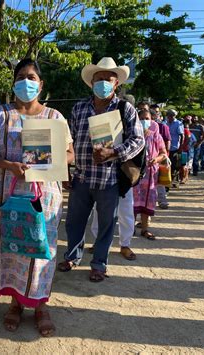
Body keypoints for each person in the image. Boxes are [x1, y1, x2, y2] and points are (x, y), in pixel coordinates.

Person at [0, 58, 74, 337]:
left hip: (45, 197)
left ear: (41, 84)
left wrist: (49, 162)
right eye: (21, 76)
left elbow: (70, 154)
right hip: (6, 194)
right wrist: (9, 166)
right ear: (14, 82)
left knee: (43, 249)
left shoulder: (55, 118)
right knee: (12, 248)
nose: (26, 82)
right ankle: (15, 303)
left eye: (32, 77)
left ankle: (41, 305)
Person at [59, 57, 144, 281]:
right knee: (74, 222)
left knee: (107, 225)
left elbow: (138, 140)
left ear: (116, 84)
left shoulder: (125, 108)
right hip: (82, 177)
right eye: (99, 79)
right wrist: (65, 171)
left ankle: (99, 264)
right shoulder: (78, 108)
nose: (103, 82)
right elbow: (71, 142)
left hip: (110, 179)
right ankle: (71, 256)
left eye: (108, 79)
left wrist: (114, 152)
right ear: (91, 82)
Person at [134, 110, 167, 240]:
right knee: (132, 201)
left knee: (147, 200)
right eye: (141, 118)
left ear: (151, 119)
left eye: (146, 118)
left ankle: (145, 229)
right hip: (135, 173)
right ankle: (129, 229)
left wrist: (156, 159)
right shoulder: (132, 133)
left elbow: (163, 153)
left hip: (150, 174)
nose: (144, 120)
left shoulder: (156, 135)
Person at [89, 187, 136, 260]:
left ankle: (125, 245)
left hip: (126, 179)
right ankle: (98, 242)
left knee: (126, 212)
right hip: (104, 180)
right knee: (100, 210)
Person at [151, 106, 171, 209]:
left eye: (156, 113)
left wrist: (165, 156)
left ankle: (162, 201)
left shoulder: (162, 127)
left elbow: (167, 141)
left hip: (160, 157)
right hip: (148, 160)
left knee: (160, 181)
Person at [165, 109, 184, 186]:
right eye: (169, 115)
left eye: (172, 116)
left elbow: (182, 136)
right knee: (167, 165)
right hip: (166, 148)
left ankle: (173, 181)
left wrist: (180, 147)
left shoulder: (178, 124)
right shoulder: (165, 123)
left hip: (175, 147)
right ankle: (167, 180)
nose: (170, 117)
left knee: (174, 165)